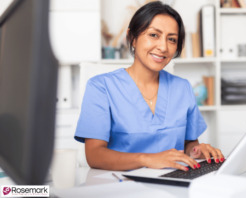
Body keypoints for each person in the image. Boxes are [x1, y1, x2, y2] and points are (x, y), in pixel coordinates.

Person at [74, 1, 224, 172]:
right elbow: (94, 155)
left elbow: (189, 143)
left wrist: (196, 151)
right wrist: (148, 159)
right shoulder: (101, 87)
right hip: (118, 184)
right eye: (154, 35)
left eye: (172, 39)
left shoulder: (182, 88)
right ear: (132, 37)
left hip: (171, 182)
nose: (163, 47)